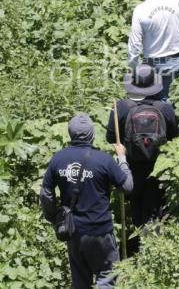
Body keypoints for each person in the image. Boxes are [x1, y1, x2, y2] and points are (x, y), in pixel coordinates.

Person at [40, 113, 133, 289]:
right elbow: (127, 186)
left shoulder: (58, 159)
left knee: (80, 282)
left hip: (73, 231)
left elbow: (46, 193)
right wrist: (121, 158)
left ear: (70, 133)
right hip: (101, 231)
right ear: (92, 134)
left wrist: (54, 218)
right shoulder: (104, 160)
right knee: (106, 276)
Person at [106, 64, 177, 233]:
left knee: (136, 203)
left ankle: (141, 238)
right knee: (157, 206)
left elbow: (111, 138)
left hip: (132, 164)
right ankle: (157, 240)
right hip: (159, 165)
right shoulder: (164, 108)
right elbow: (175, 136)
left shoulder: (122, 107)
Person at [128, 0, 179, 100]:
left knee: (153, 103)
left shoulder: (140, 10)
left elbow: (134, 44)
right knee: (176, 100)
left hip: (152, 63)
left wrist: (134, 69)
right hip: (177, 60)